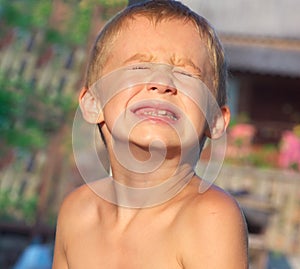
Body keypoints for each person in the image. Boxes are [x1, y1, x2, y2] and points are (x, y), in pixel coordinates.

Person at [52, 1, 248, 268]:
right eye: (138, 68)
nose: (162, 84)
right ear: (93, 102)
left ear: (215, 119)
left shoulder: (208, 217)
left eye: (185, 74)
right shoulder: (76, 213)